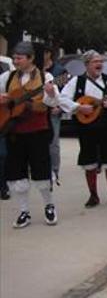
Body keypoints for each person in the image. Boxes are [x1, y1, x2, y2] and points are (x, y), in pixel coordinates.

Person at [0, 42, 60, 227]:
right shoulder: (7, 77)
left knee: (41, 171)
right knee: (16, 173)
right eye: (15, 57)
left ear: (31, 58)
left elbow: (53, 102)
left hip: (37, 130)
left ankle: (49, 206)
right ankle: (24, 211)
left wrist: (50, 93)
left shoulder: (46, 76)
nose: (16, 61)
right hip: (14, 131)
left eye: (20, 58)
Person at [59, 50, 107, 209]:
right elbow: (62, 98)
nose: (99, 64)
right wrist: (78, 107)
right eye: (96, 61)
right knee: (89, 161)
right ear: (87, 64)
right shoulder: (76, 81)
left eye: (100, 61)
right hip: (86, 128)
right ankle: (93, 195)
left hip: (106, 126)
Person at [42, 48, 65, 185]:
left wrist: (59, 107)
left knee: (53, 144)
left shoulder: (59, 71)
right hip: (38, 110)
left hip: (53, 111)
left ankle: (54, 170)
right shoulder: (36, 71)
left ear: (48, 53)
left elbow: (65, 91)